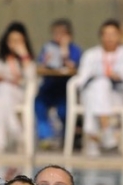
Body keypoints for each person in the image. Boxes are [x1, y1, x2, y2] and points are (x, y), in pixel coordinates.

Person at [76, 19, 123, 157]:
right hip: (94, 93)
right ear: (101, 36)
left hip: (117, 95)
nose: (109, 38)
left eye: (112, 34)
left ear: (119, 35)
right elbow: (81, 79)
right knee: (98, 85)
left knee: (98, 90)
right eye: (106, 34)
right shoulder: (91, 54)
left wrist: (121, 76)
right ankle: (106, 129)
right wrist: (95, 77)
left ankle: (93, 135)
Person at [0, 22, 36, 155]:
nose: (14, 44)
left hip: (14, 94)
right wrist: (1, 76)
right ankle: (16, 131)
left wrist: (24, 55)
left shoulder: (25, 58)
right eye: (12, 40)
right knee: (2, 91)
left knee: (2, 97)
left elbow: (31, 79)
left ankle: (0, 142)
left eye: (18, 41)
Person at [35, 19, 83, 148]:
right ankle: (45, 137)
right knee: (38, 105)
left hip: (65, 89)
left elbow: (75, 68)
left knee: (64, 111)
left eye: (62, 34)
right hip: (49, 87)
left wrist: (64, 52)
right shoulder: (48, 48)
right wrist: (45, 63)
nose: (58, 37)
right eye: (55, 33)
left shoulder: (75, 49)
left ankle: (68, 138)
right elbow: (40, 66)